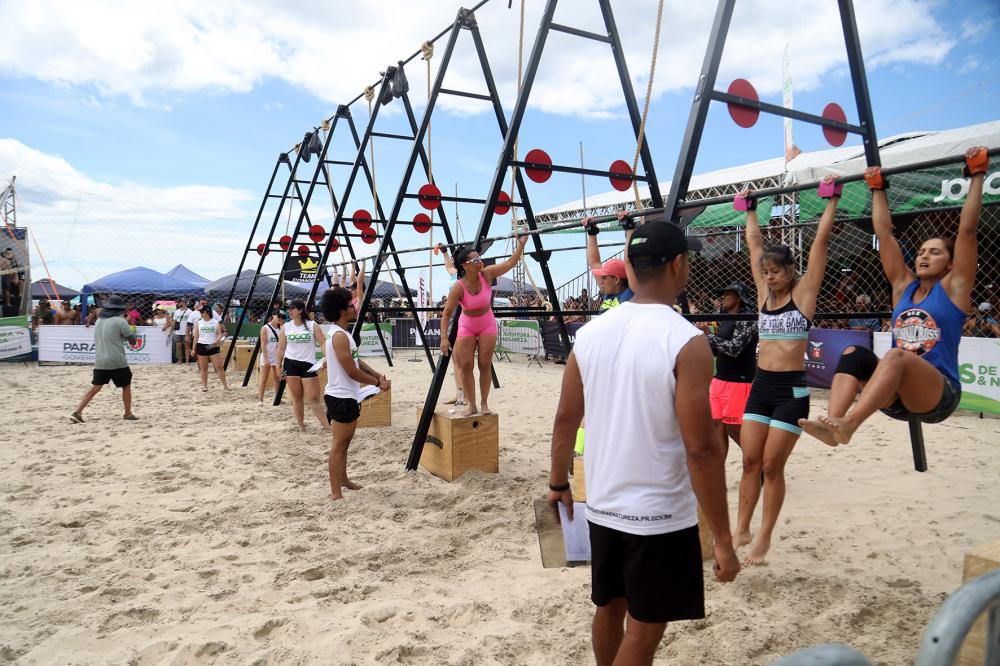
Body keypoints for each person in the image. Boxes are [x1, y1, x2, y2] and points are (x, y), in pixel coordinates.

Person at [547, 221, 738, 666]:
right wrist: (724, 538)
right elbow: (702, 449)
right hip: (657, 514)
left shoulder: (590, 333)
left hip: (603, 502)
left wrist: (558, 482)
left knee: (609, 607)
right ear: (678, 265)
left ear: (630, 269)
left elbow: (564, 418)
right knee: (645, 631)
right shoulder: (686, 340)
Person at [800, 147, 988, 446]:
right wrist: (877, 189)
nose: (925, 256)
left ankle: (850, 423)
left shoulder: (954, 288)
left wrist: (977, 175)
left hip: (938, 395)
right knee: (854, 354)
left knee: (897, 355)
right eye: (923, 251)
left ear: (950, 264)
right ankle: (833, 423)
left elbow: (967, 231)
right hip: (895, 395)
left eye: (935, 252)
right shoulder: (904, 287)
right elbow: (885, 234)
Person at [736, 176, 840, 566]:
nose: (769, 276)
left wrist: (830, 200)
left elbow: (820, 246)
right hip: (760, 386)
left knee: (771, 465)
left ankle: (763, 537)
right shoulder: (764, 296)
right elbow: (754, 246)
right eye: (765, 272)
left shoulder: (803, 294)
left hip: (791, 389)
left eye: (776, 271)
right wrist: (749, 209)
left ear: (791, 271)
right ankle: (743, 527)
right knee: (749, 461)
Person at [439, 236, 528, 417]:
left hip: (486, 322)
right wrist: (443, 338)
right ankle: (471, 404)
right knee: (465, 365)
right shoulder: (458, 286)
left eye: (480, 258)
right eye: (475, 260)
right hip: (467, 324)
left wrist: (521, 245)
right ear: (465, 265)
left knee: (484, 364)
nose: (480, 262)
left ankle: (484, 404)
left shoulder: (486, 274)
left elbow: (511, 263)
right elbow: (447, 313)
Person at [320, 286, 390, 500]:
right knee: (339, 446)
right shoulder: (339, 336)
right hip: (340, 397)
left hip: (345, 396)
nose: (354, 308)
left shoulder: (342, 334)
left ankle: (343, 480)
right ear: (342, 311)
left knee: (345, 444)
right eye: (351, 305)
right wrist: (377, 383)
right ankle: (335, 492)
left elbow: (356, 361)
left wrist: (376, 374)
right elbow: (352, 371)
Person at [703, 281, 758, 460]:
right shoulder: (727, 318)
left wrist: (709, 336)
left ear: (738, 298)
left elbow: (735, 348)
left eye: (727, 294)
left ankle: (758, 461)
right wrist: (705, 338)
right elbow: (718, 350)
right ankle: (718, 471)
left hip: (738, 380)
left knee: (733, 427)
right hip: (720, 379)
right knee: (717, 425)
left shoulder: (747, 318)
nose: (723, 297)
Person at [70, 295, 139, 422]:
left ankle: (77, 412)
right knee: (126, 386)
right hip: (117, 360)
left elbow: (111, 337)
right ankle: (128, 414)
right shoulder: (120, 321)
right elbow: (133, 341)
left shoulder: (99, 321)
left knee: (95, 387)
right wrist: (133, 331)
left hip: (100, 360)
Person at [276, 299, 330, 432]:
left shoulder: (312, 325)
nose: (289, 311)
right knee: (297, 396)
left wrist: (327, 358)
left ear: (300, 310)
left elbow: (322, 343)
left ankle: (327, 426)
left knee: (313, 397)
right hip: (290, 363)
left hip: (308, 364)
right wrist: (278, 365)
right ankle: (301, 426)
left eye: (292, 308)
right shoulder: (286, 327)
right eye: (288, 309)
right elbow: (281, 348)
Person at [583, 212, 635, 311]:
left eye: (604, 278)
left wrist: (629, 228)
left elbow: (629, 259)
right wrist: (592, 233)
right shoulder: (607, 292)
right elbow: (594, 262)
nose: (600, 282)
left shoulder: (630, 294)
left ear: (616, 279)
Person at [193, 305, 229, 391]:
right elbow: (196, 337)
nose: (201, 313)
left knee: (219, 367)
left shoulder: (215, 322)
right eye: (200, 312)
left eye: (202, 312)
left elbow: (220, 333)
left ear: (207, 312)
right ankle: (205, 386)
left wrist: (217, 339)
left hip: (213, 345)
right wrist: (194, 349)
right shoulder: (199, 322)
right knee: (204, 368)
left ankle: (225, 386)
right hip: (202, 345)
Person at [257, 311, 285, 405]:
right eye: (278, 317)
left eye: (281, 317)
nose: (280, 319)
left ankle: (277, 399)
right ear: (273, 316)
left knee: (277, 378)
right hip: (267, 355)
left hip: (277, 356)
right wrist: (266, 359)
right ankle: (260, 400)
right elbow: (263, 344)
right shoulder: (265, 328)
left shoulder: (281, 328)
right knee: (263, 378)